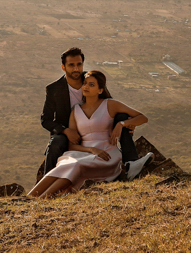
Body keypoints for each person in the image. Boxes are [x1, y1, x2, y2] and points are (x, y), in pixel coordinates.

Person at [30, 70, 149, 198]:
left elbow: (143, 117)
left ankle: (40, 200)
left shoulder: (110, 104)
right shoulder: (75, 111)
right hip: (82, 152)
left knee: (76, 165)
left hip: (107, 153)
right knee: (67, 164)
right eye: (85, 83)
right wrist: (91, 149)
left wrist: (122, 124)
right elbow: (71, 146)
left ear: (100, 90)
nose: (86, 87)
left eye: (91, 85)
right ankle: (29, 198)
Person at [39, 47, 144, 180]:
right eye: (71, 65)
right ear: (63, 67)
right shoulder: (53, 89)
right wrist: (65, 131)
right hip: (72, 133)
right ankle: (47, 180)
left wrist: (127, 122)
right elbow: (45, 120)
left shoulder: (91, 79)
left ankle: (131, 163)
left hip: (97, 127)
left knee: (121, 117)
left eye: (79, 64)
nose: (76, 68)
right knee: (56, 141)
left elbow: (108, 104)